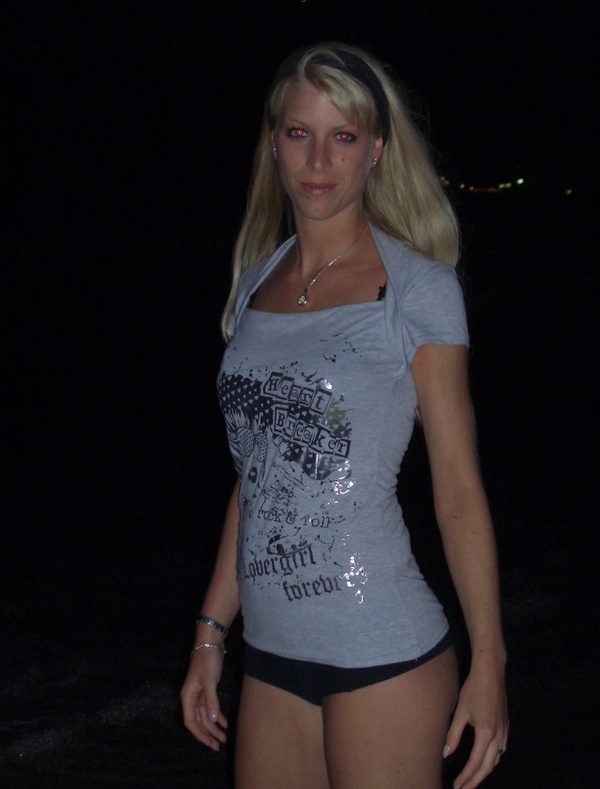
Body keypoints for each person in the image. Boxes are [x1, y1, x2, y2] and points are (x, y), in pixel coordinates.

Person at [181, 42, 508, 789]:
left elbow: (458, 488)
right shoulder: (255, 284)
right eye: (300, 132)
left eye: (344, 136)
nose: (319, 160)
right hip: (270, 656)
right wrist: (210, 633)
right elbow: (258, 479)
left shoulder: (418, 289)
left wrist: (489, 661)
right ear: (274, 143)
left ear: (377, 149)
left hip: (384, 651)